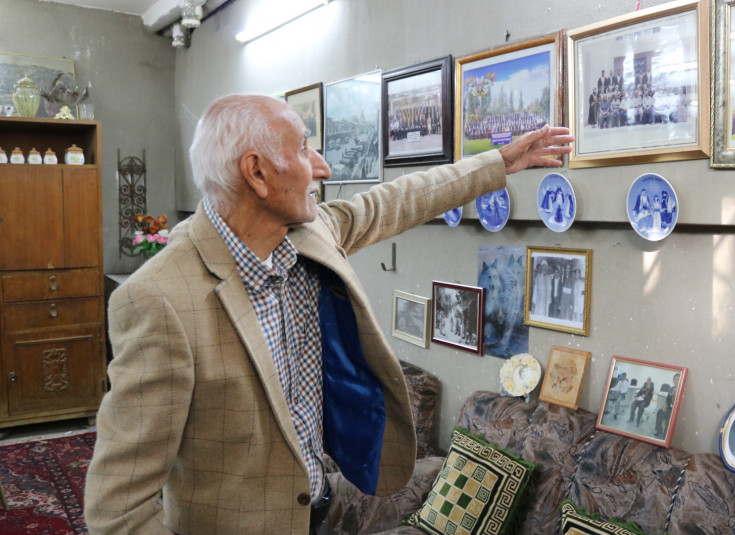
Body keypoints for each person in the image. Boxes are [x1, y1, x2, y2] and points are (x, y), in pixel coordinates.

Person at [83, 94, 573, 535]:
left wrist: (499, 162)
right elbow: (119, 508)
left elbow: (395, 201)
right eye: (302, 149)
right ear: (256, 173)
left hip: (319, 516)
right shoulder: (159, 298)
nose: (321, 166)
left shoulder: (310, 235)